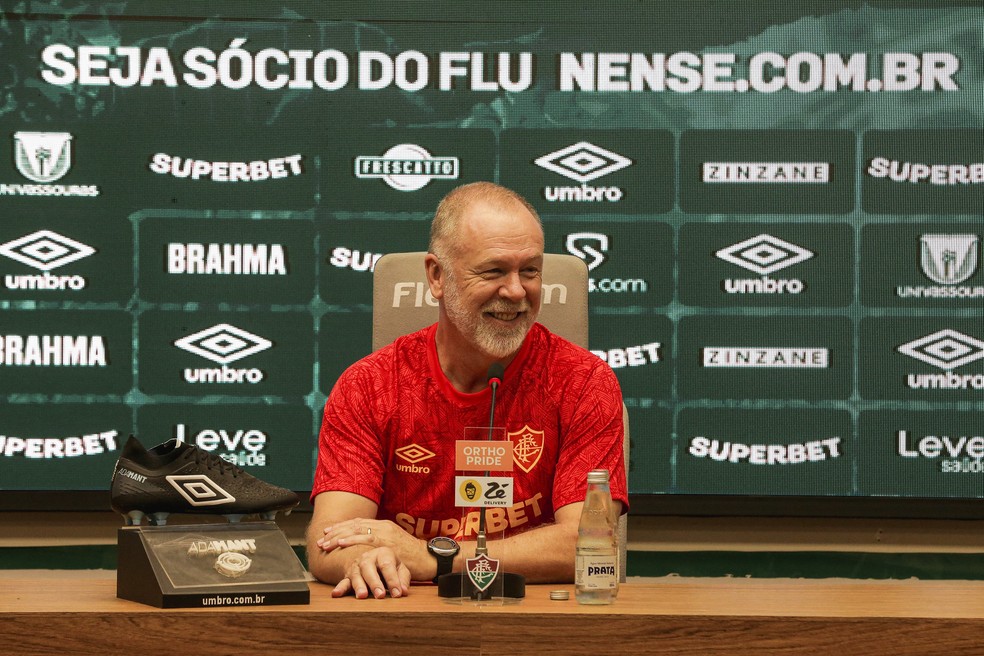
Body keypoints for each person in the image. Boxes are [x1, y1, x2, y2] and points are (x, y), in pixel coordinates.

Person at [307, 181, 626, 599]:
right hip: (406, 618)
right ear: (437, 276)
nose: (516, 291)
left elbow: (589, 545)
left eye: (529, 271)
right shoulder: (369, 386)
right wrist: (359, 560)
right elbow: (329, 539)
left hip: (537, 623)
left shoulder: (585, 382)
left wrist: (439, 558)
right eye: (493, 271)